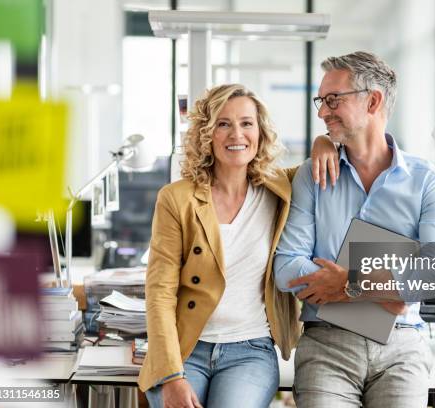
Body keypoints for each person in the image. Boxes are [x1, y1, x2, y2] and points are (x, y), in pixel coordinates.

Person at [274, 51, 435, 407]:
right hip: (327, 343)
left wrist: (349, 284)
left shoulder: (427, 180)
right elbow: (286, 268)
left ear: (372, 100)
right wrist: (390, 293)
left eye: (332, 100)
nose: (322, 112)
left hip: (402, 344)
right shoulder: (312, 177)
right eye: (321, 100)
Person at [138, 84, 339, 408]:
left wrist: (323, 141)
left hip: (250, 351)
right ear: (207, 133)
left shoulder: (281, 188)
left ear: (260, 131)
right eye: (223, 123)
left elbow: (324, 159)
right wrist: (171, 376)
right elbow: (159, 292)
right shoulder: (177, 199)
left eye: (247, 123)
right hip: (186, 347)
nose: (237, 134)